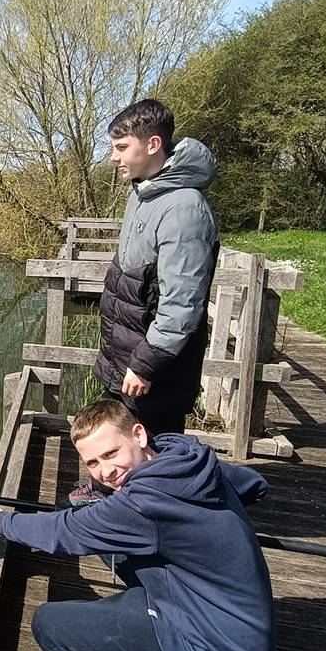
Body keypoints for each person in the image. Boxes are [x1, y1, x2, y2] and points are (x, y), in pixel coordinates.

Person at [0, 398, 275, 651]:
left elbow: (62, 532)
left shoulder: (142, 505)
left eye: (111, 453)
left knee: (48, 627)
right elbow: (255, 485)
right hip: (235, 626)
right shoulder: (188, 457)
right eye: (93, 463)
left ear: (138, 433)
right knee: (97, 518)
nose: (105, 471)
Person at [95, 97, 219, 440]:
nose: (113, 157)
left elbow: (182, 304)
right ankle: (109, 490)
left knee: (154, 449)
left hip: (156, 368)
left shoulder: (183, 209)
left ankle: (145, 493)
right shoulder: (142, 194)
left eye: (121, 147)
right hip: (127, 350)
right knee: (123, 440)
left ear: (153, 144)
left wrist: (145, 364)